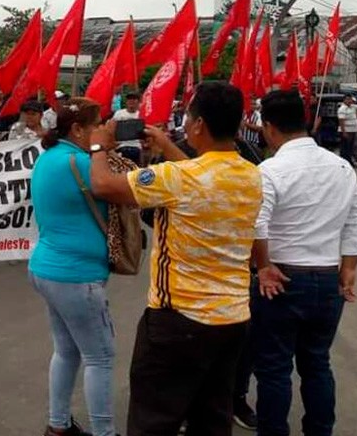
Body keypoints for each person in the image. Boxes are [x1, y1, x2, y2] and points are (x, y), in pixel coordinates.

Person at [89, 81, 262, 435]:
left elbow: (104, 186)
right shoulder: (251, 174)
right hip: (232, 320)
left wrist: (98, 145)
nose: (184, 124)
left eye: (188, 117)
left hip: (178, 321)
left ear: (198, 125)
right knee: (212, 419)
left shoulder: (176, 177)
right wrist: (168, 146)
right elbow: (201, 180)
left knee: (154, 420)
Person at [251, 90, 357, 436]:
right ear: (307, 121)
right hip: (327, 279)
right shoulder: (341, 167)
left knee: (273, 369)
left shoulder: (270, 170)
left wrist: (262, 266)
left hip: (281, 278)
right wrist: (348, 268)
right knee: (317, 363)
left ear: (269, 127)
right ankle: (320, 430)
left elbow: (256, 222)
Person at [29, 98, 115, 436]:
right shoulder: (82, 162)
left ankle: (58, 425)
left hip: (48, 269)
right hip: (76, 276)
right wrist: (102, 150)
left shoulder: (50, 157)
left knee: (66, 351)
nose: (104, 129)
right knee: (101, 357)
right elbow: (124, 189)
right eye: (98, 125)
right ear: (78, 130)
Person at [112, 91, 143, 166]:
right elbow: (112, 128)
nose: (131, 101)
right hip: (121, 146)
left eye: (134, 99)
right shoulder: (119, 114)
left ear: (138, 102)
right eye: (129, 99)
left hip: (137, 146)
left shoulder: (141, 115)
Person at [337, 94, 357, 167]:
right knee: (345, 148)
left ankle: (350, 162)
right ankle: (344, 163)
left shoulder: (353, 107)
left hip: (353, 130)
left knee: (350, 148)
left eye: (350, 99)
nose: (349, 101)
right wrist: (344, 132)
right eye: (347, 99)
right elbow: (341, 121)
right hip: (346, 131)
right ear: (344, 100)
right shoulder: (342, 109)